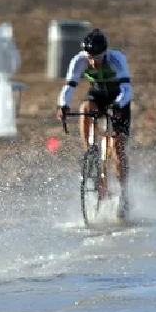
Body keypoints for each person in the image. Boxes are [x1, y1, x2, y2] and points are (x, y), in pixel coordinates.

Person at [56, 28, 133, 220]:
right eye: (90, 57)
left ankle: (124, 193)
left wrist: (118, 104)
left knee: (117, 148)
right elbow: (69, 86)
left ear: (105, 53)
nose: (93, 62)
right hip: (98, 95)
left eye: (97, 57)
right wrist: (63, 105)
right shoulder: (79, 60)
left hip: (118, 99)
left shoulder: (117, 59)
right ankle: (90, 151)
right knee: (84, 108)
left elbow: (127, 89)